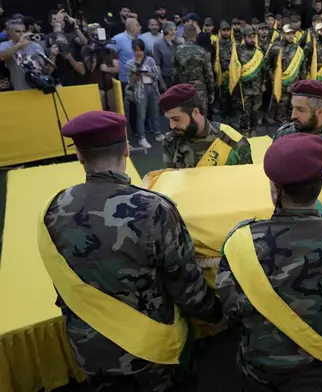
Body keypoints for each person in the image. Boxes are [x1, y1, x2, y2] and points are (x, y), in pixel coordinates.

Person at [39, 111, 222, 391]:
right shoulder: (154, 209)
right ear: (126, 148)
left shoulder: (54, 208)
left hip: (90, 348)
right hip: (150, 350)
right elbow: (185, 285)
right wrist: (215, 313)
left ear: (79, 156)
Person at [216, 132, 322, 391]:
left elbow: (230, 308)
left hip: (262, 371)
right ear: (321, 184)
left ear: (275, 189)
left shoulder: (241, 241)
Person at [160, 83, 252, 168]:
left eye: (176, 119)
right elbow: (170, 180)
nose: (172, 126)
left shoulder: (234, 143)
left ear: (196, 113)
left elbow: (245, 182)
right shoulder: (171, 142)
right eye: (168, 119)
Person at [172, 23, 215, 118]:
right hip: (200, 93)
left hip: (183, 92)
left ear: (184, 35)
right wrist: (211, 92)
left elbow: (174, 75)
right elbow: (209, 74)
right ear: (196, 35)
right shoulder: (202, 51)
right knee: (200, 119)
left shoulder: (177, 51)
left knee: (186, 119)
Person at [126, 39, 162, 147]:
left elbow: (156, 75)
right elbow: (131, 82)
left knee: (155, 112)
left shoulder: (149, 60)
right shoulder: (129, 63)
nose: (138, 53)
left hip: (152, 88)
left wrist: (146, 72)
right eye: (136, 50)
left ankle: (158, 133)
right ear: (133, 50)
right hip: (140, 90)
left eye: (140, 50)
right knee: (141, 115)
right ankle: (142, 137)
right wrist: (136, 73)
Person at [0, 19, 49, 90]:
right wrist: (19, 45)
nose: (21, 34)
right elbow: (2, 57)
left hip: (38, 89)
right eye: (18, 31)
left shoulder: (35, 46)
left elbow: (44, 69)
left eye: (23, 31)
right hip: (20, 89)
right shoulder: (5, 45)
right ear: (10, 33)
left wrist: (53, 56)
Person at [235, 27, 264, 137]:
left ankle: (254, 130)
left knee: (256, 111)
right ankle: (244, 132)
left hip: (257, 88)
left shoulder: (259, 52)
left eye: (253, 37)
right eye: (249, 37)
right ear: (244, 38)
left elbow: (263, 69)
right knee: (244, 112)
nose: (252, 39)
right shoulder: (238, 51)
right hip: (244, 89)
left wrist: (263, 84)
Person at [153, 21, 178, 92]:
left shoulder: (177, 43)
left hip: (177, 77)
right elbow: (157, 65)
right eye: (174, 29)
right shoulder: (158, 44)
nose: (176, 32)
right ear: (168, 31)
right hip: (166, 78)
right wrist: (162, 82)